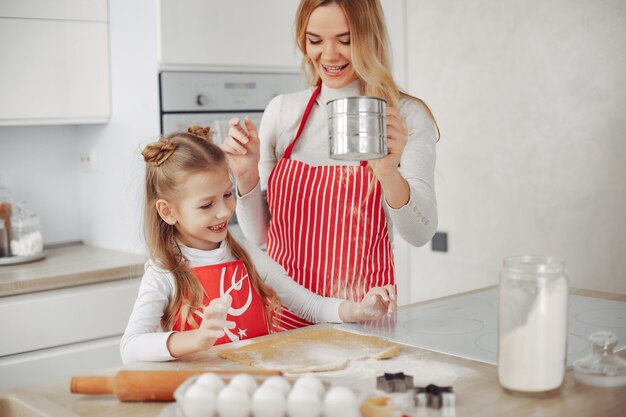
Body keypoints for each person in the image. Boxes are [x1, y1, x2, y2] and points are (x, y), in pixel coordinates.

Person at [222, 0, 439, 331]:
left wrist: (387, 172)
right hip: (284, 314)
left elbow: (421, 233)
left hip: (364, 316)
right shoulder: (282, 112)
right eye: (315, 40)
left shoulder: (404, 116)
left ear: (370, 38)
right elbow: (261, 236)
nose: (329, 55)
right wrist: (246, 176)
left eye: (346, 39)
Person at [120, 126, 395, 364]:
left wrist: (359, 309)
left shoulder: (245, 254)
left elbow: (308, 304)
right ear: (167, 211)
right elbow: (130, 347)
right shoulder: (164, 272)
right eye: (206, 205)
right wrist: (197, 339)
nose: (224, 212)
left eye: (227, 195)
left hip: (257, 388)